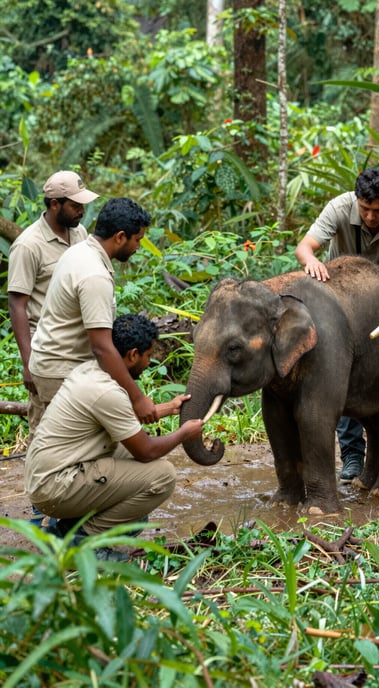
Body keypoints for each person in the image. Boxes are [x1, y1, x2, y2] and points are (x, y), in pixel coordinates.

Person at [25, 314, 205, 563]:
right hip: (55, 486)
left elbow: (119, 416)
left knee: (127, 450)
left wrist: (168, 408)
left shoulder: (93, 370)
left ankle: (65, 532)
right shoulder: (108, 391)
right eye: (148, 355)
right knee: (161, 476)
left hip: (48, 473)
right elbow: (147, 451)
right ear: (132, 355)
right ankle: (85, 542)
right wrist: (184, 433)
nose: (150, 361)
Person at [294, 167, 379, 483]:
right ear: (356, 200)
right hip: (341, 300)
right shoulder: (339, 207)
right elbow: (304, 247)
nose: (371, 216)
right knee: (343, 374)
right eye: (365, 209)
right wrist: (312, 262)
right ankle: (352, 456)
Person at [28, 197, 157, 426]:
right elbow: (102, 347)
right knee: (67, 448)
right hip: (62, 370)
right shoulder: (93, 274)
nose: (138, 246)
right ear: (119, 237)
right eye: (137, 240)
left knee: (43, 438)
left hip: (48, 363)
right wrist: (137, 399)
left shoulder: (80, 251)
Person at [8, 170, 100, 435]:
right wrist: (28, 364)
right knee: (47, 428)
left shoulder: (80, 234)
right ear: (54, 204)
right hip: (46, 349)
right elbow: (17, 306)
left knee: (79, 425)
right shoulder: (28, 246)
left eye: (82, 204)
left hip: (78, 345)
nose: (81, 210)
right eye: (75, 205)